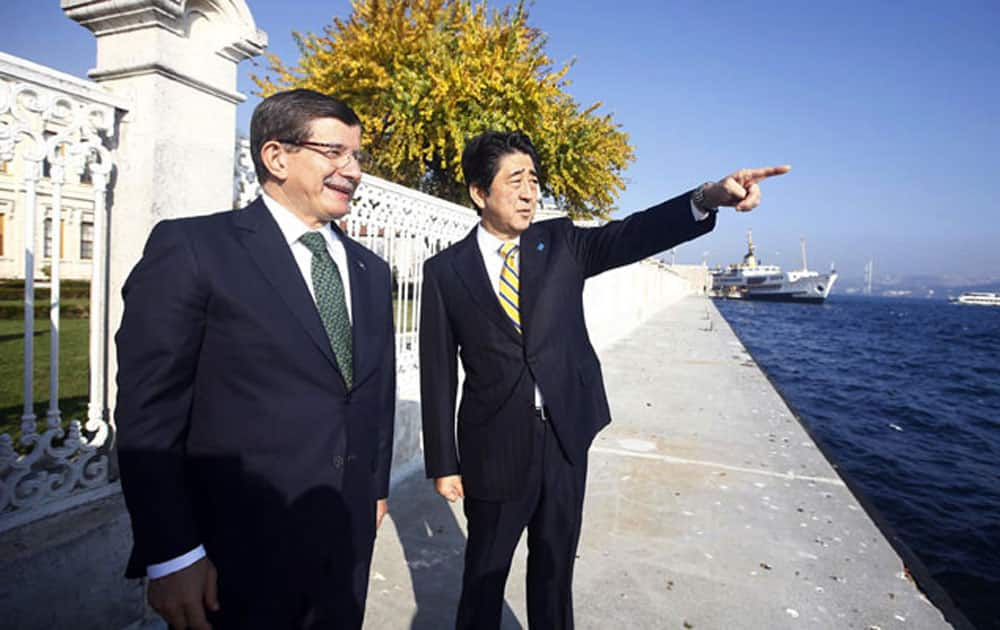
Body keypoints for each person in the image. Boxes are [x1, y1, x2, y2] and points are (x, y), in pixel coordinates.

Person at [419, 130, 789, 629]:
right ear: (479, 193)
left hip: (565, 439)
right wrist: (444, 461)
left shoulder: (562, 243)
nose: (530, 192)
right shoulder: (445, 271)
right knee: (484, 574)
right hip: (494, 445)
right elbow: (437, 370)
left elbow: (635, 232)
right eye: (515, 181)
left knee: (554, 572)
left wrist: (710, 197)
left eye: (534, 180)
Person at [115, 89, 396, 630]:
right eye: (335, 153)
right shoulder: (194, 248)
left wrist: (375, 487)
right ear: (277, 156)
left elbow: (371, 391)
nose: (353, 170)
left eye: (357, 156)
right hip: (237, 553)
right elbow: (149, 414)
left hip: (345, 534)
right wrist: (172, 553)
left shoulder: (369, 269)